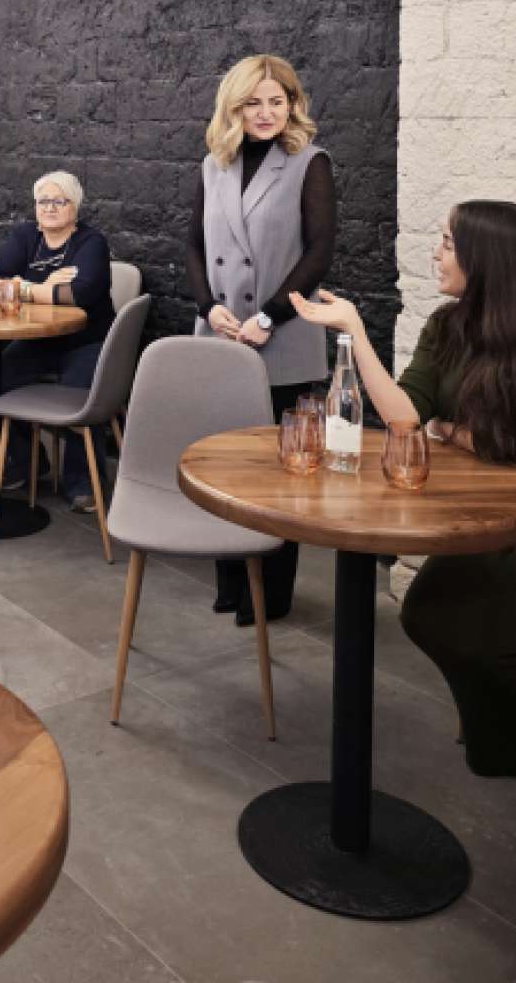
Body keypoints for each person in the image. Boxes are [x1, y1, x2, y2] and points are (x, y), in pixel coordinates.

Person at [291, 200, 516, 868]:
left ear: (488, 257)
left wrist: (449, 430)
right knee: (427, 608)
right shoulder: (446, 326)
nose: (437, 252)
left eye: (449, 242)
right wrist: (354, 331)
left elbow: (498, 440)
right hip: (497, 519)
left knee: (495, 624)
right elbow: (404, 419)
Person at [186, 53, 336, 625]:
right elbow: (193, 246)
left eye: (278, 101)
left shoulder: (309, 163)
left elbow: (319, 253)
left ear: (293, 105)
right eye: (254, 102)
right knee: (226, 466)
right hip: (223, 338)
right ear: (235, 107)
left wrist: (269, 317)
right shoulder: (214, 165)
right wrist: (208, 306)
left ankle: (270, 594)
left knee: (278, 471)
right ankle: (231, 583)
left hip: (284, 337)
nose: (267, 113)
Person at [0, 171, 114, 511]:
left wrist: (27, 287)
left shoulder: (91, 242)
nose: (50, 208)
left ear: (74, 207)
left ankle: (83, 481)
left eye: (59, 201)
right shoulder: (25, 236)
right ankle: (28, 462)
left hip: (86, 339)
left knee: (79, 392)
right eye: (43, 201)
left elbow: (82, 294)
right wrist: (50, 287)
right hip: (39, 338)